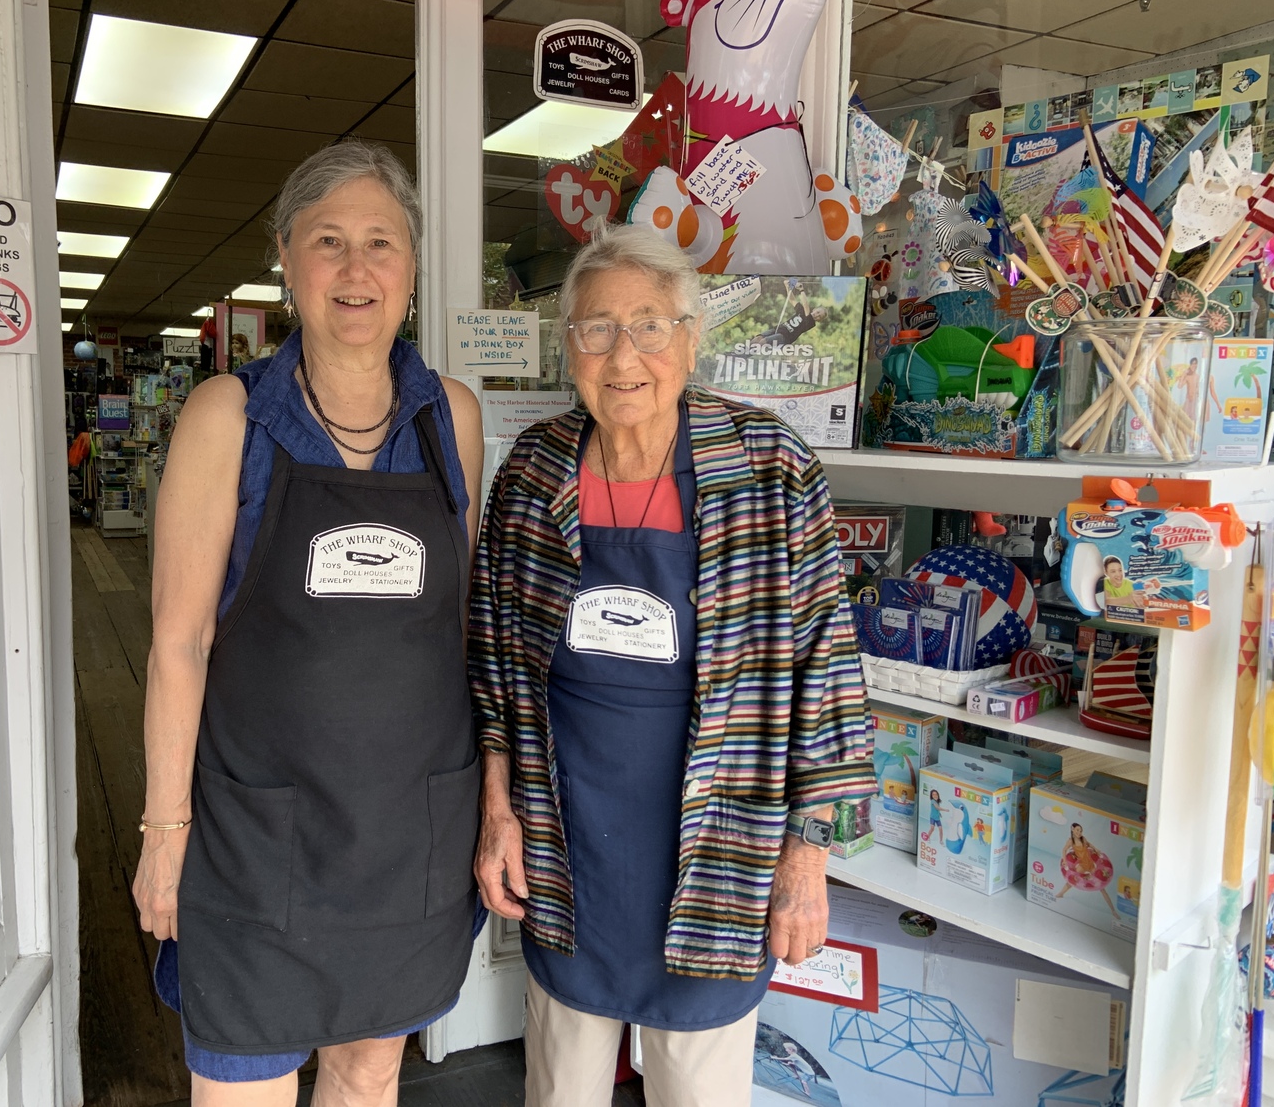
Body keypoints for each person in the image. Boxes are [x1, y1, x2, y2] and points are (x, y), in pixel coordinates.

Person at [469, 224, 873, 1107]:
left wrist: (808, 862)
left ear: (692, 339)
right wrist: (498, 811)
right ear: (568, 346)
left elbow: (828, 673)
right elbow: (495, 659)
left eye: (650, 325)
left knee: (698, 1088)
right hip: (566, 839)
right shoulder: (534, 472)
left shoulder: (772, 470)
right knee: (562, 1084)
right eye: (597, 328)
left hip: (724, 843)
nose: (624, 354)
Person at [132, 139, 484, 1107]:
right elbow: (178, 642)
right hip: (257, 834)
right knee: (244, 1080)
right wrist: (165, 830)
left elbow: (453, 630)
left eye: (381, 242)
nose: (357, 268)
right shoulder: (226, 417)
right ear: (285, 258)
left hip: (407, 835)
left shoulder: (449, 418)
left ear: (412, 266)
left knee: (370, 1075)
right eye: (329, 241)